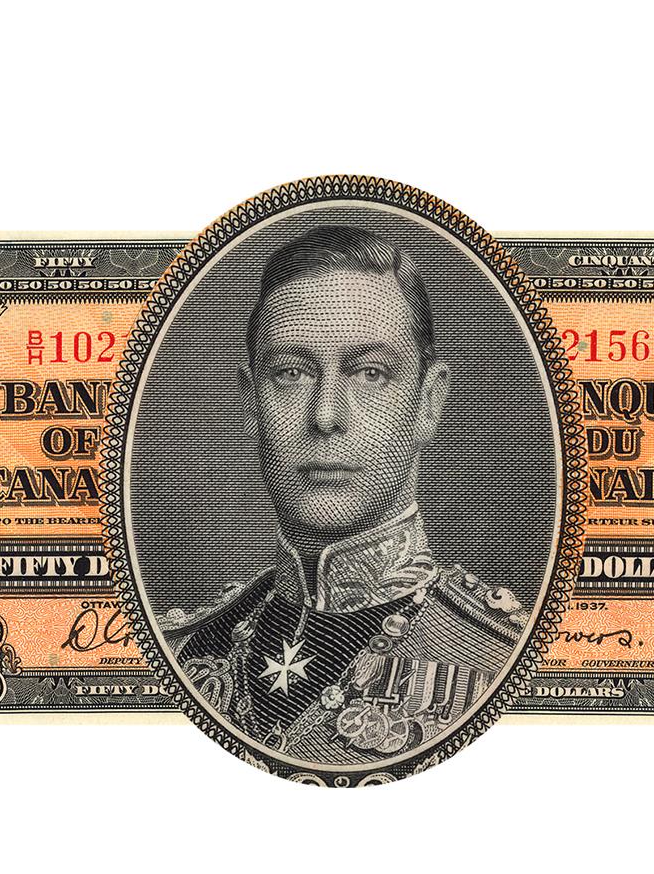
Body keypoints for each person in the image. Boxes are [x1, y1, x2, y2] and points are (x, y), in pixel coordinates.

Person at [158, 224, 529, 762]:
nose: (326, 416)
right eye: (291, 374)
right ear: (249, 403)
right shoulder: (180, 647)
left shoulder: (505, 652)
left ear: (428, 402)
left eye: (371, 374)